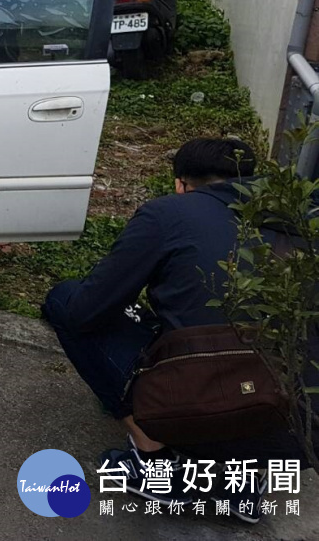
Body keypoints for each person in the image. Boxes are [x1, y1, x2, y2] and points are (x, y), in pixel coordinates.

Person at [42, 138, 307, 521]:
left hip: (204, 401)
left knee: (67, 301)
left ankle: (156, 462)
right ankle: (243, 480)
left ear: (182, 184)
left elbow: (88, 310)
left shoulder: (168, 214)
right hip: (294, 426)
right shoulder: (302, 220)